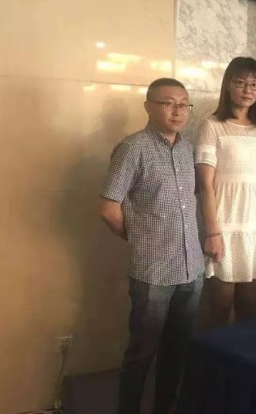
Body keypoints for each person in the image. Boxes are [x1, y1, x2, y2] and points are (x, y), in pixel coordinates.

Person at [99, 78, 204, 414]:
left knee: (178, 350)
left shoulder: (187, 149)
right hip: (153, 272)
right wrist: (140, 237)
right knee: (141, 354)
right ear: (148, 107)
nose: (178, 111)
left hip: (191, 268)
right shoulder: (133, 148)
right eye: (169, 103)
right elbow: (109, 208)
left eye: (184, 104)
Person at [195, 56, 256, 327]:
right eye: (241, 83)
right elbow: (205, 184)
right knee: (220, 305)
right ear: (228, 85)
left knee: (248, 305)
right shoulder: (212, 126)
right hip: (225, 224)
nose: (248, 90)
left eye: (255, 85)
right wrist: (213, 233)